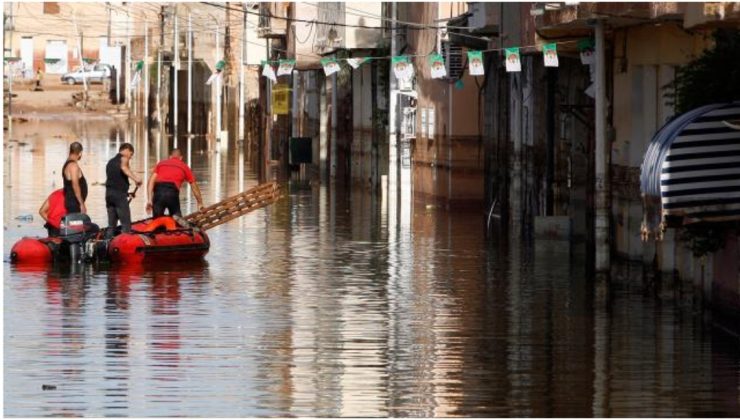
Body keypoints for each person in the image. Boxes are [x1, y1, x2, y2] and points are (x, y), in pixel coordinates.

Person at [147, 149, 204, 217]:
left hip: (158, 192)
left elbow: (150, 181)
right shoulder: (184, 167)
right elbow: (194, 186)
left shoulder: (161, 164)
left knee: (157, 220)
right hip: (172, 193)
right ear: (181, 158)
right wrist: (200, 203)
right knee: (177, 220)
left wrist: (149, 200)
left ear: (170, 157)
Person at [105, 143, 143, 233]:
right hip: (119, 196)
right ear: (126, 150)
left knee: (111, 226)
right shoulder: (124, 158)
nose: (130, 157)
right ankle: (125, 243)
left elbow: (115, 181)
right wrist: (136, 179)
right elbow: (124, 168)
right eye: (131, 154)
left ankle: (108, 243)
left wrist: (127, 194)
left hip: (109, 195)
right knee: (126, 225)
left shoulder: (110, 162)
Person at [63, 142, 87, 214]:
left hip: (72, 202)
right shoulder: (73, 166)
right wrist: (81, 204)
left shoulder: (67, 164)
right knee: (77, 225)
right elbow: (75, 185)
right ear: (80, 153)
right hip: (74, 204)